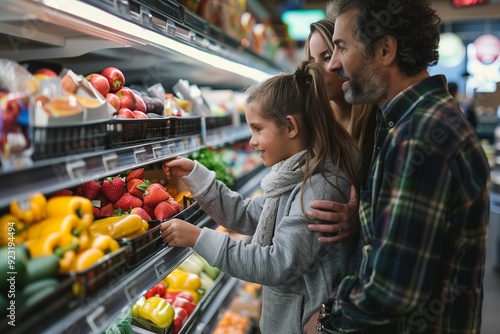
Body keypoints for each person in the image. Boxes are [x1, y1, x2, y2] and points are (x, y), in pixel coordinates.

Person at [312, 0, 490, 333]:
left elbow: (393, 292)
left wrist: (328, 317)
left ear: (385, 50)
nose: (334, 64)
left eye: (340, 48)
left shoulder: (419, 136)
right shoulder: (414, 122)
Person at [160, 60, 361, 334]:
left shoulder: (319, 189)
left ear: (290, 127)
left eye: (257, 129)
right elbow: (246, 214)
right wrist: (196, 175)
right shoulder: (291, 175)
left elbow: (276, 263)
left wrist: (199, 238)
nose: (252, 140)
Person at [304, 19, 377, 243]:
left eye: (325, 57)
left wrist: (361, 219)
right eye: (310, 61)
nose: (315, 71)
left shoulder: (376, 122)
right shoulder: (312, 124)